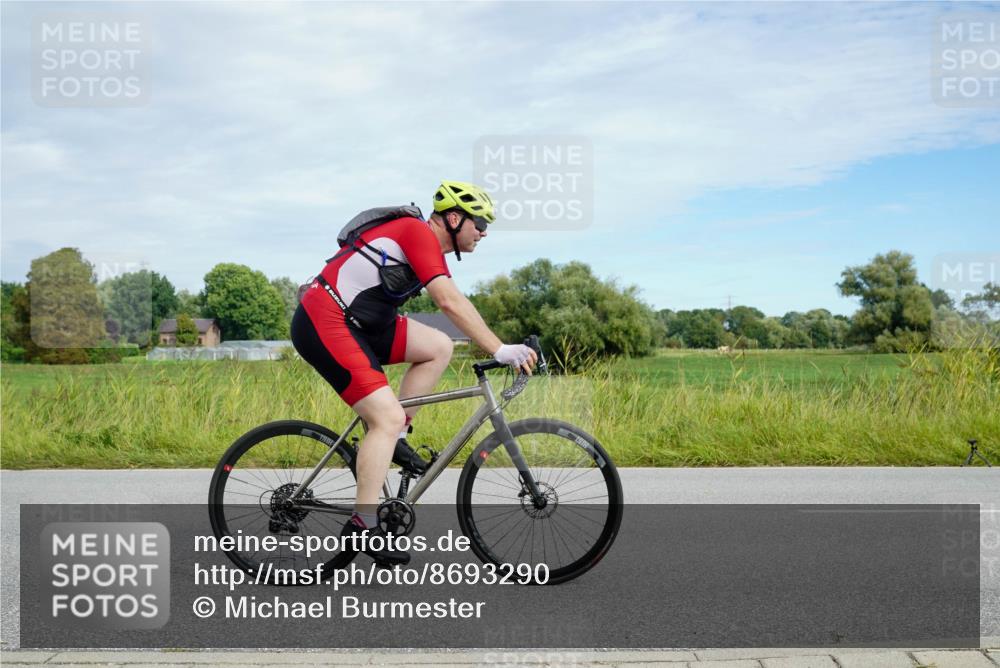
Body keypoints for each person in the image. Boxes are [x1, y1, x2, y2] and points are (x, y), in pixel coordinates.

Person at [290, 180, 538, 566]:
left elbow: (454, 302)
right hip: (325, 320)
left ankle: (397, 438)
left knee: (438, 346)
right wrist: (500, 349)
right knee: (384, 418)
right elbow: (449, 300)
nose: (484, 232)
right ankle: (362, 524)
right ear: (454, 219)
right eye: (480, 223)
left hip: (364, 324)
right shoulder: (416, 231)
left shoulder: (427, 245)